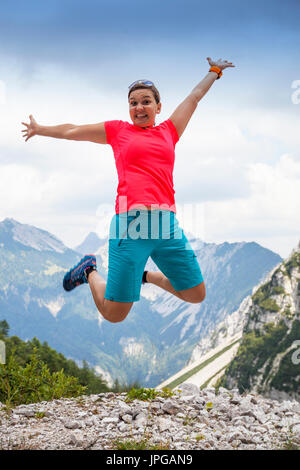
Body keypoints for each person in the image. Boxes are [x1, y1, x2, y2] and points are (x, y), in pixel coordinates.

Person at [21, 57, 235, 324]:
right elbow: (74, 130)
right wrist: (41, 129)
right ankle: (88, 270)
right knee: (114, 314)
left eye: (145, 101)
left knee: (195, 294)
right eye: (133, 103)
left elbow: (194, 97)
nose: (139, 107)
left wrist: (214, 72)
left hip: (166, 226)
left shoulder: (169, 130)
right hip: (130, 226)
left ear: (158, 107)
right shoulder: (117, 131)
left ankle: (146, 276)